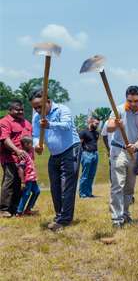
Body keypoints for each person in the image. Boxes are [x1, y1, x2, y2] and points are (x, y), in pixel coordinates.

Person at [30, 89, 81, 231]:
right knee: (55, 187)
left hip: (71, 149)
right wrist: (37, 145)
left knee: (67, 186)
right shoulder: (36, 117)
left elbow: (66, 126)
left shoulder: (62, 109)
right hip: (54, 154)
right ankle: (60, 215)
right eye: (35, 107)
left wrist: (49, 124)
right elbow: (35, 134)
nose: (38, 110)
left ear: (48, 101)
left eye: (40, 106)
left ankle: (64, 220)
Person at [107, 85, 138, 228]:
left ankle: (126, 215)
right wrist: (116, 124)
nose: (132, 104)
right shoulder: (118, 110)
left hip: (134, 152)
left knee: (129, 188)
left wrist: (136, 146)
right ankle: (116, 219)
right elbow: (109, 128)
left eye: (136, 101)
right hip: (118, 150)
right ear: (126, 99)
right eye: (130, 101)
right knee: (117, 185)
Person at [0, 100, 32, 218]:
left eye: (22, 109)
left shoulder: (27, 123)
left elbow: (30, 140)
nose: (20, 111)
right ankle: (4, 209)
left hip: (25, 160)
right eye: (17, 109)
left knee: (21, 183)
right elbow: (5, 139)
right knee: (10, 180)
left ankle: (16, 208)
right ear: (10, 110)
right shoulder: (5, 122)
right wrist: (17, 151)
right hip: (10, 158)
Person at [15, 136, 40, 216]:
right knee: (26, 194)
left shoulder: (29, 153)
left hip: (33, 178)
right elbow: (21, 168)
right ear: (26, 144)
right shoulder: (23, 155)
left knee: (37, 191)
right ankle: (19, 211)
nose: (32, 146)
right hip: (28, 179)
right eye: (31, 144)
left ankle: (28, 209)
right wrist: (22, 181)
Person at [79, 116, 100, 198]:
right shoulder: (83, 132)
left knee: (91, 175)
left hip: (95, 154)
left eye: (98, 124)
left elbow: (95, 142)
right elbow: (79, 145)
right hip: (86, 154)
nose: (97, 125)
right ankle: (82, 194)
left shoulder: (96, 133)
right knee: (85, 175)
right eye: (96, 123)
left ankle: (89, 193)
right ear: (90, 122)